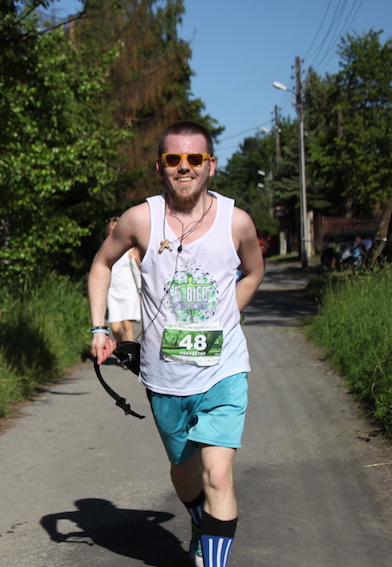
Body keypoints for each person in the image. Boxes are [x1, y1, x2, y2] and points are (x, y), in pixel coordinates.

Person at [88, 121, 263, 567]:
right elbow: (101, 265)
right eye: (173, 159)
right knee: (185, 476)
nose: (184, 167)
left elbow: (254, 271)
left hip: (224, 370)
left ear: (211, 165)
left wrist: (229, 312)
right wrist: (99, 328)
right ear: (160, 166)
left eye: (194, 158)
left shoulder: (236, 221)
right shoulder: (139, 219)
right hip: (165, 377)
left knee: (218, 476)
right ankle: (199, 522)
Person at [105, 216, 142, 342]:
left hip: (128, 290)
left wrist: (136, 258)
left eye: (115, 230)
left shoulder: (130, 249)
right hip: (112, 291)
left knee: (127, 325)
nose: (113, 233)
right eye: (111, 230)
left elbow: (140, 270)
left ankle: (128, 352)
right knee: (115, 328)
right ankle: (121, 346)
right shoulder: (105, 249)